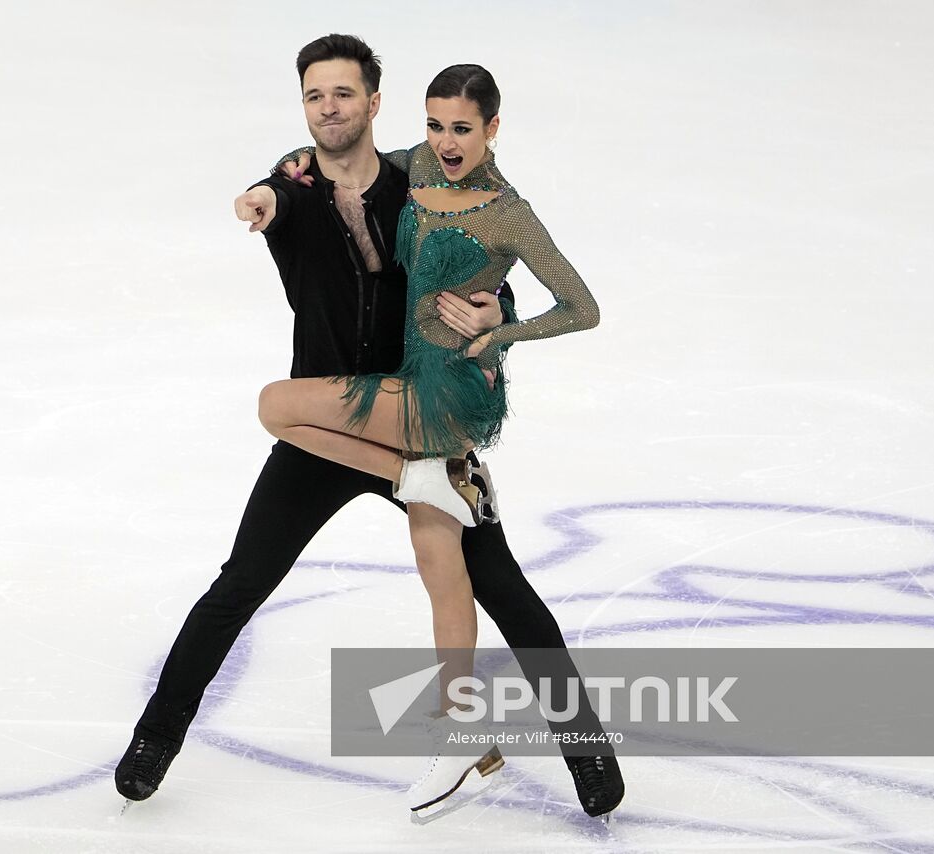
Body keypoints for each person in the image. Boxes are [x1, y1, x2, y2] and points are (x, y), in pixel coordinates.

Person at [115, 33, 623, 820]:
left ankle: (586, 750)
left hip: (414, 413)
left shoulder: (411, 180)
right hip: (333, 429)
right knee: (242, 582)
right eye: (315, 96)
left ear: (373, 103)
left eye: (344, 94)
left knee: (504, 590)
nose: (330, 108)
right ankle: (156, 736)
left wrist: (502, 311)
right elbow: (279, 181)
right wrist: (260, 194)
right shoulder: (291, 187)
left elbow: (480, 260)